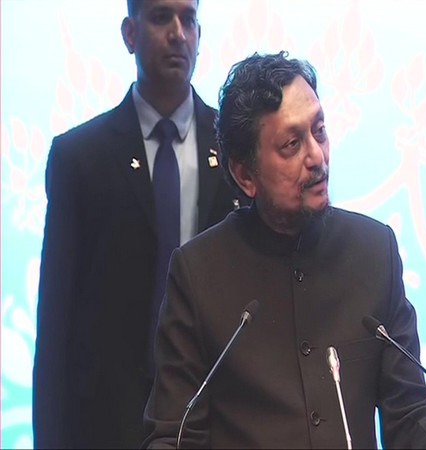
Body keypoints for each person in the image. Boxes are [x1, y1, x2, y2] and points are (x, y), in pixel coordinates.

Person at [142, 51, 426, 449]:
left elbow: (411, 410)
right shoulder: (198, 274)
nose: (316, 156)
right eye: (292, 144)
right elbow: (174, 435)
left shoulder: (374, 251)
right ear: (245, 175)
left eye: (320, 131)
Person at [32, 0, 247, 448]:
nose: (178, 33)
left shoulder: (237, 151)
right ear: (129, 34)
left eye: (189, 20)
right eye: (161, 17)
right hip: (107, 419)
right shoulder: (80, 158)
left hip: (219, 412)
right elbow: (56, 321)